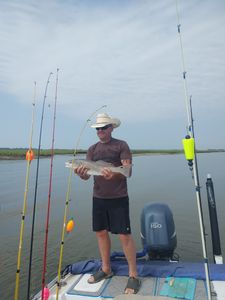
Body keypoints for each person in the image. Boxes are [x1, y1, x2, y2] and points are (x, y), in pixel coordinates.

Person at [75, 113, 141, 294]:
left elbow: (127, 171)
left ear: (112, 128)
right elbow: (86, 176)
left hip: (118, 197)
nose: (100, 131)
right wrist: (81, 174)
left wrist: (115, 174)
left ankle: (133, 275)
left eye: (104, 127)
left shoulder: (121, 145)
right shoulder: (92, 149)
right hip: (99, 198)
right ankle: (106, 269)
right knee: (101, 233)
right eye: (98, 128)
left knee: (124, 236)